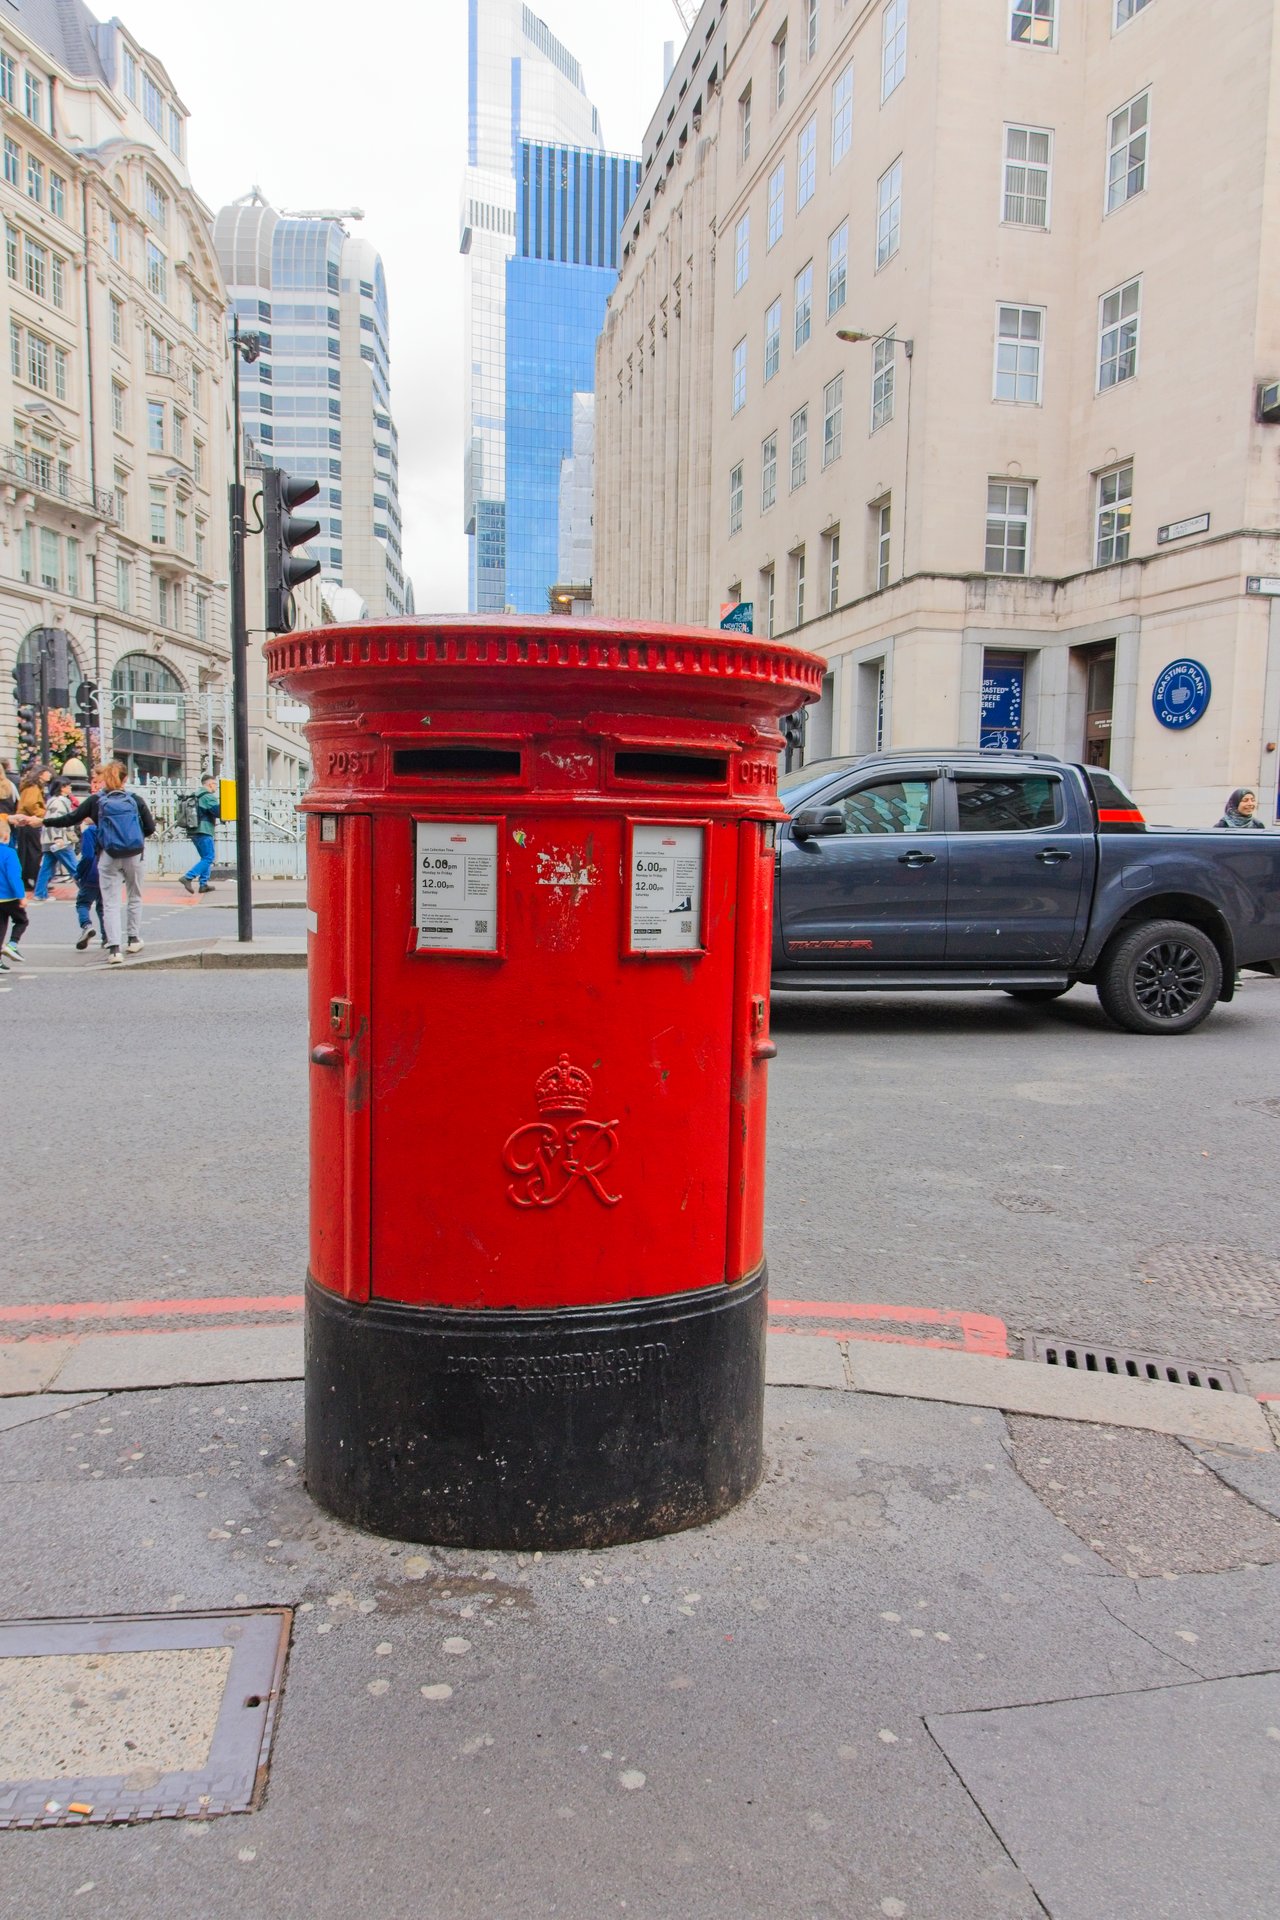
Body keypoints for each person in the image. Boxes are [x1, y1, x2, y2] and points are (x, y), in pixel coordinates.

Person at [56, 761, 156, 965]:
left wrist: (43, 821)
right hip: (134, 855)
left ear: (104, 778)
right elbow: (150, 827)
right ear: (125, 778)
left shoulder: (97, 800)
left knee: (110, 902)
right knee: (134, 896)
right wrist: (133, 839)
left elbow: (71, 818)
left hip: (108, 854)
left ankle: (114, 949)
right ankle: (133, 939)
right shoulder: (135, 799)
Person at [33, 778, 79, 898]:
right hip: (60, 840)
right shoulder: (59, 802)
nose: (70, 788)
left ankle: (40, 893)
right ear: (62, 788)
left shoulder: (53, 801)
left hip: (49, 839)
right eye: (68, 786)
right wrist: (58, 837)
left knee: (47, 868)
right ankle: (87, 891)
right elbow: (57, 820)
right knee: (74, 867)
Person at [180, 773, 221, 895]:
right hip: (204, 830)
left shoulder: (195, 794)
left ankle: (203, 884)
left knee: (205, 857)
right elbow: (217, 812)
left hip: (193, 830)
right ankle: (188, 877)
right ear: (210, 784)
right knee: (209, 857)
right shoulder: (208, 797)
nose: (216, 787)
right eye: (215, 784)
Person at [73, 814, 106, 952]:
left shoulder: (89, 831)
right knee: (103, 906)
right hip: (108, 872)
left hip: (92, 873)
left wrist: (78, 873)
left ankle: (87, 925)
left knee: (83, 903)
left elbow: (87, 856)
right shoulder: (108, 829)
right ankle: (107, 937)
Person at [0, 817, 28, 969]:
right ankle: (12, 944)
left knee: (1, 927)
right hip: (9, 897)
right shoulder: (9, 853)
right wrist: (21, 896)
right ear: (6, 836)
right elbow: (14, 877)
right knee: (22, 920)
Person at [13, 771, 45, 892]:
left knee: (25, 852)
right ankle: (35, 878)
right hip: (30, 822)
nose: (49, 775)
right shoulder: (33, 788)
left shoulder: (28, 787)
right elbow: (30, 804)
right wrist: (42, 813)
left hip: (24, 822)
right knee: (34, 851)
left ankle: (25, 879)